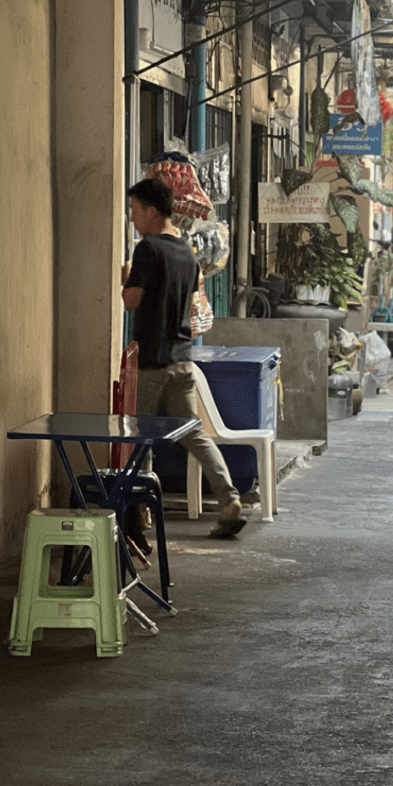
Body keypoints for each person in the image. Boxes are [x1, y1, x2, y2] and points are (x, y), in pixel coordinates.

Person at [121, 178, 246, 539]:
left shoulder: (147, 250)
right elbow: (190, 304)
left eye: (134, 210)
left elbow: (132, 300)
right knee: (194, 433)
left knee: (138, 438)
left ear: (150, 210)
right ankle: (228, 499)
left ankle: (138, 516)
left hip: (151, 362)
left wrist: (125, 278)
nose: (132, 218)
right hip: (182, 360)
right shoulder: (188, 256)